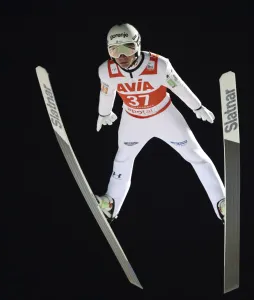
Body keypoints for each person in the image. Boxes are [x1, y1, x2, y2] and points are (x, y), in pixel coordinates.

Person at [94, 23, 226, 224]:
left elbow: (179, 87)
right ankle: (111, 203)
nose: (121, 56)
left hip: (164, 117)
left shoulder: (158, 65)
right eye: (114, 49)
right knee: (122, 159)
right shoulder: (106, 71)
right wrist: (103, 113)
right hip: (133, 120)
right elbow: (107, 92)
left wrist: (197, 107)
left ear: (137, 45)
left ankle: (222, 203)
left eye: (127, 47)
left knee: (197, 156)